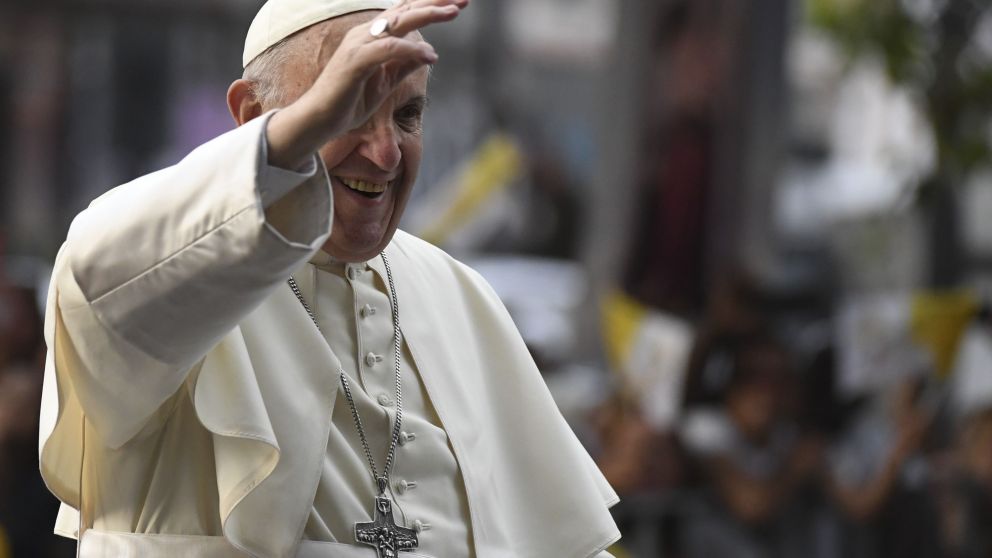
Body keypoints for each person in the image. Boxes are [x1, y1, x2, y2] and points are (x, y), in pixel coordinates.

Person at [37, 1, 620, 556]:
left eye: (407, 115)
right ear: (251, 117)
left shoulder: (462, 296)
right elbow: (96, 271)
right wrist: (295, 138)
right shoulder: (175, 277)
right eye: (349, 110)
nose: (386, 154)